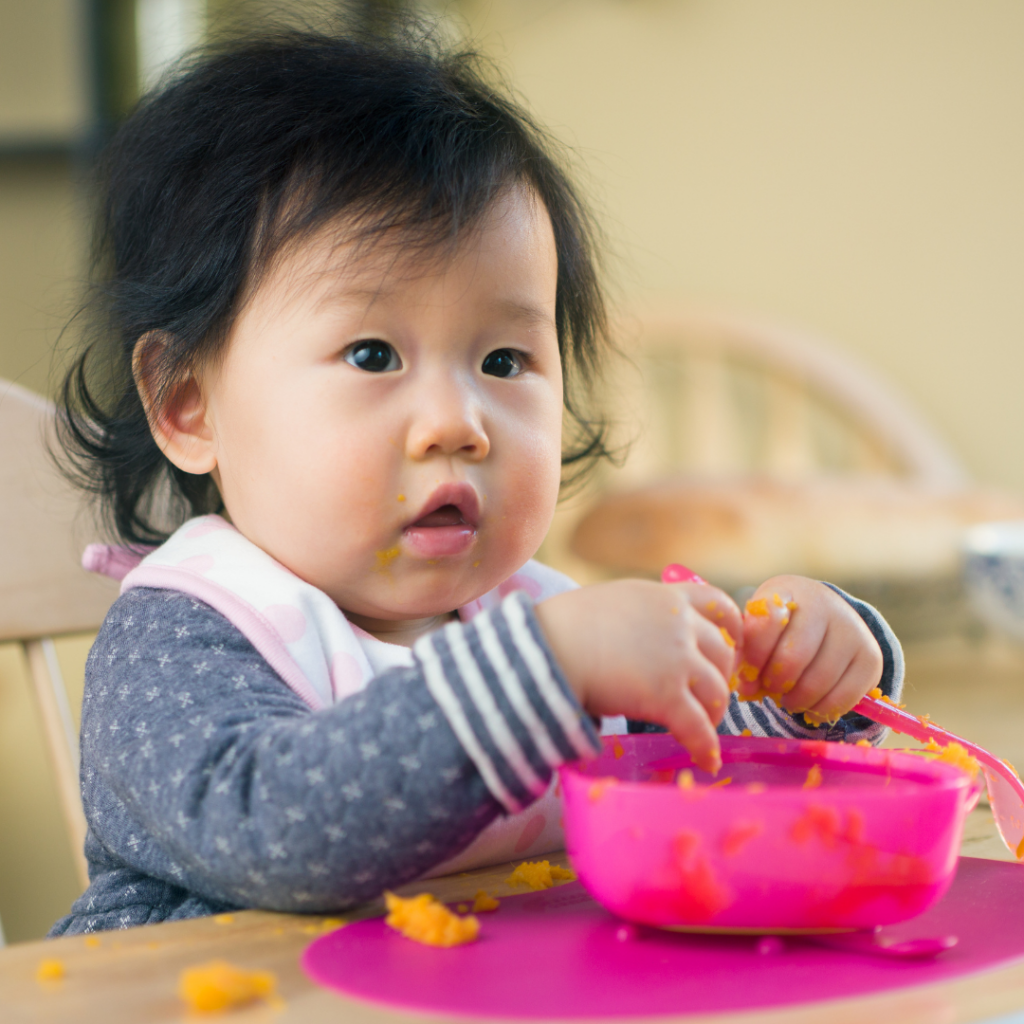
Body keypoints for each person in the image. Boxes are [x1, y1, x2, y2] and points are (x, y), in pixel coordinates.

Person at [49, 25, 902, 936]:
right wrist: (547, 672)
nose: (458, 421)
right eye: (373, 354)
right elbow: (270, 829)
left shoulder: (530, 617)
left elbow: (707, 763)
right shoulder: (185, 636)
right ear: (188, 407)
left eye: (503, 359)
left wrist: (814, 672)